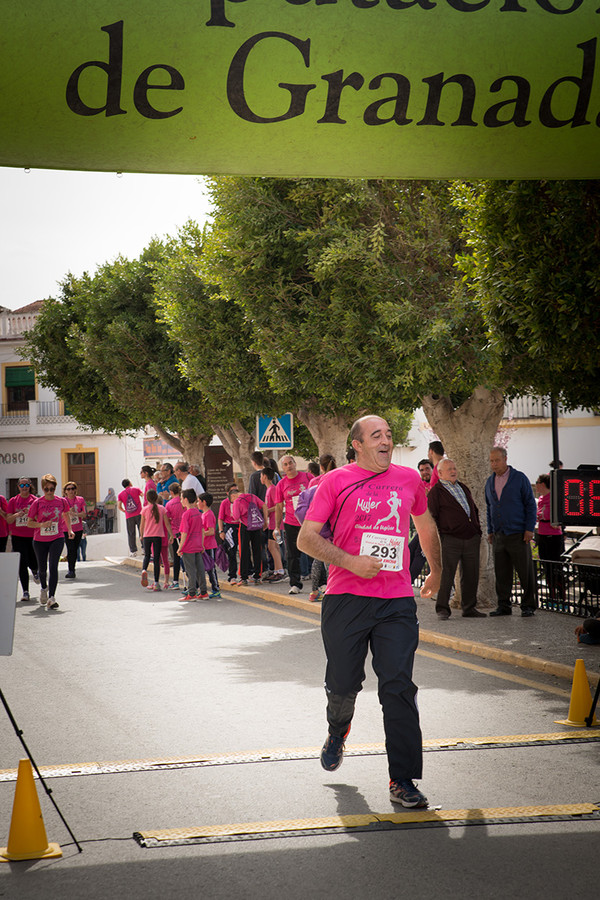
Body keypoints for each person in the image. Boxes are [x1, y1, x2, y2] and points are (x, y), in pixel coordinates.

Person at [297, 415, 441, 809]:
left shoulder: (409, 479)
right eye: (376, 435)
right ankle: (338, 730)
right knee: (344, 682)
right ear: (357, 444)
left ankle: (403, 779)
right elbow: (306, 538)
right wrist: (350, 561)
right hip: (346, 597)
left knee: (398, 687)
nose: (386, 441)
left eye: (389, 435)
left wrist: (437, 571)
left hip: (396, 600)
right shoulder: (335, 481)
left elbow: (424, 524)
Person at [427, 458, 485, 619]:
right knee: (447, 574)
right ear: (440, 473)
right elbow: (432, 517)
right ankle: (442, 609)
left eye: (454, 468)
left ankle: (469, 608)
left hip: (471, 537)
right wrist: (440, 539)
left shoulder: (463, 487)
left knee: (471, 574)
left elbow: (474, 509)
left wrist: (477, 530)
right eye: (449, 469)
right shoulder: (436, 492)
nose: (453, 471)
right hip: (450, 539)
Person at [485, 447, 537, 617]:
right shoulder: (489, 482)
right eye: (491, 461)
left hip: (518, 533)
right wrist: (490, 530)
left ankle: (528, 605)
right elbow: (489, 508)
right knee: (502, 573)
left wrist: (529, 529)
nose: (494, 464)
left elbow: (530, 504)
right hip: (499, 535)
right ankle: (504, 606)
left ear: (505, 459)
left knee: (525, 571)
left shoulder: (519, 478)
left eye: (497, 460)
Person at [27, 474, 74, 610]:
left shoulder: (61, 501)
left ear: (55, 488)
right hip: (40, 540)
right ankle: (43, 588)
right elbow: (29, 523)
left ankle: (52, 598)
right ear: (42, 489)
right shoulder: (37, 503)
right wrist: (42, 525)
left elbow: (66, 514)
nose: (49, 492)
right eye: (46, 489)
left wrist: (69, 530)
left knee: (53, 567)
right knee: (43, 569)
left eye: (52, 489)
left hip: (57, 537)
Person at [274, 455, 313, 595]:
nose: (289, 466)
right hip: (291, 523)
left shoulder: (308, 478)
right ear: (282, 468)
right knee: (292, 555)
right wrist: (277, 526)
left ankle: (321, 583)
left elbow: (318, 495)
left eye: (290, 463)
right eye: (285, 464)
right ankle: (295, 584)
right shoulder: (281, 484)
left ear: (295, 464)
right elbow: (279, 507)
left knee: (315, 552)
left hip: (310, 521)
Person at [6, 477, 39, 601]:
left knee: (33, 560)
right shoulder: (13, 501)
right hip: (18, 536)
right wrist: (17, 515)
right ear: (18, 487)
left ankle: (35, 570)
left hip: (33, 535)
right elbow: (8, 519)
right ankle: (25, 591)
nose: (24, 487)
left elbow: (39, 517)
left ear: (30, 486)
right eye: (22, 485)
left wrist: (30, 513)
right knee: (22, 564)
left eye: (26, 485)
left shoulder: (35, 500)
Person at [535, 473, 565, 601]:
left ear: (542, 484)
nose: (535, 486)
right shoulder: (541, 499)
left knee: (556, 566)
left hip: (553, 536)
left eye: (536, 483)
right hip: (542, 534)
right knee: (546, 565)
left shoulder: (554, 498)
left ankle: (561, 594)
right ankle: (552, 594)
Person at [139, 489, 173, 593]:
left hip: (147, 536)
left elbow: (141, 525)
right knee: (157, 560)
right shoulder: (162, 509)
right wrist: (171, 534)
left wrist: (141, 535)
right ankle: (157, 583)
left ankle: (144, 570)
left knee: (147, 556)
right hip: (158, 536)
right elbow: (167, 523)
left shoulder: (145, 509)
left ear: (147, 498)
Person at [178, 489, 208, 601]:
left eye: (181, 498)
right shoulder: (197, 513)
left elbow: (184, 533)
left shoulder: (186, 514)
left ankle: (191, 593)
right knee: (200, 569)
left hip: (188, 547)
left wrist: (180, 548)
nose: (181, 501)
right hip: (197, 545)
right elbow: (202, 530)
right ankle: (204, 592)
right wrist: (202, 544)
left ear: (186, 500)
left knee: (190, 570)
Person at [232, 490, 265, 585]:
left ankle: (244, 577)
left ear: (233, 496)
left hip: (245, 526)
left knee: (244, 551)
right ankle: (257, 576)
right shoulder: (253, 496)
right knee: (257, 550)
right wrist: (265, 521)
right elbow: (264, 505)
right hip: (256, 526)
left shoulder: (237, 501)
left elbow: (236, 516)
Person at [409, 459, 433, 583]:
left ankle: (408, 582)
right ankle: (404, 581)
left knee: (420, 555)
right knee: (409, 550)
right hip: (422, 527)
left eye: (427, 469)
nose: (425, 472)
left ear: (433, 470)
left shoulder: (437, 485)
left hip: (433, 529)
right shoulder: (421, 486)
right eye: (422, 470)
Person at [261, 467, 285, 583]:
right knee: (273, 547)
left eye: (261, 476)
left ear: (265, 476)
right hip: (271, 523)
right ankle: (277, 570)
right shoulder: (268, 490)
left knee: (273, 547)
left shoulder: (273, 489)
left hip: (276, 523)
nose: (260, 478)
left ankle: (280, 571)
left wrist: (266, 511)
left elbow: (278, 506)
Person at [198, 492, 221, 598]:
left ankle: (216, 588)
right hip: (203, 545)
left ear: (204, 502)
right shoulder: (203, 514)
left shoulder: (209, 514)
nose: (197, 503)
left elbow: (211, 531)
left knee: (211, 568)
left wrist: (200, 533)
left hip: (209, 545)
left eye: (199, 501)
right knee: (201, 568)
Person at [62, 481, 87, 579]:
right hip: (66, 529)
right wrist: (68, 513)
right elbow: (59, 515)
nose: (71, 491)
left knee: (74, 549)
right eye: (68, 489)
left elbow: (84, 514)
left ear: (75, 490)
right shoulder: (63, 501)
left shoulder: (80, 500)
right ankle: (71, 570)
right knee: (70, 548)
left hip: (78, 529)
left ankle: (72, 568)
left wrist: (75, 514)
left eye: (73, 488)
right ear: (65, 491)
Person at [218, 484, 240, 584]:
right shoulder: (225, 503)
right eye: (233, 491)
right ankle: (232, 576)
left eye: (237, 491)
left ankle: (248, 573)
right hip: (230, 528)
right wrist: (221, 531)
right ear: (228, 493)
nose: (235, 494)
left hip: (241, 526)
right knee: (231, 552)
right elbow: (220, 518)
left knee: (244, 551)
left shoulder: (241, 501)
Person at [166, 482, 184, 591]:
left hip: (175, 533)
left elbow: (167, 520)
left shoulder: (169, 504)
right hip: (186, 533)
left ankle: (176, 581)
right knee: (187, 557)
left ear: (171, 492)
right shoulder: (183, 502)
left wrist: (171, 534)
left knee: (176, 558)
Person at [117, 479, 143, 555]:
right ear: (130, 483)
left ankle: (133, 551)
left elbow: (119, 506)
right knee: (142, 531)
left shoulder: (120, 494)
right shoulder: (136, 489)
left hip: (129, 516)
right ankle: (144, 548)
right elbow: (143, 496)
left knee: (131, 533)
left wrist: (125, 511)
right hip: (139, 513)